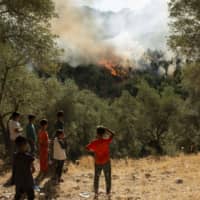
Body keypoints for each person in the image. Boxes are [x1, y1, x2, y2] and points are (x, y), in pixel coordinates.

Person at [86, 126, 115, 199]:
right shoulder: (106, 141)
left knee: (97, 177)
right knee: (107, 177)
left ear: (97, 133)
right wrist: (107, 129)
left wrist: (94, 151)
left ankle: (96, 193)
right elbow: (113, 134)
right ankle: (108, 193)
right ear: (103, 134)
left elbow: (87, 148)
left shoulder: (94, 142)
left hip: (98, 162)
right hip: (106, 162)